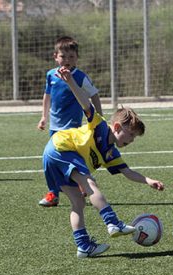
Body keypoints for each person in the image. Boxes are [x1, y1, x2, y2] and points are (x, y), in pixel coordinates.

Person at [44, 66, 164, 258]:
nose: (131, 140)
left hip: (51, 156)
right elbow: (85, 102)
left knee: (78, 202)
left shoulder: (110, 153)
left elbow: (128, 172)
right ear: (116, 127)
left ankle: (84, 246)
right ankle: (113, 222)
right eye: (130, 134)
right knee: (90, 183)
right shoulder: (99, 125)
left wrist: (148, 180)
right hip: (62, 147)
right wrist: (70, 82)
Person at [37, 36, 103, 207]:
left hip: (73, 129)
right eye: (63, 57)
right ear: (55, 57)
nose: (67, 60)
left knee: (75, 161)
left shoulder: (80, 77)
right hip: (55, 128)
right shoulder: (51, 75)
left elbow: (94, 94)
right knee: (50, 160)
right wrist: (44, 117)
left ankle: (82, 186)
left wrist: (99, 117)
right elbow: (47, 96)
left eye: (71, 57)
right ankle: (53, 193)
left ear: (77, 58)